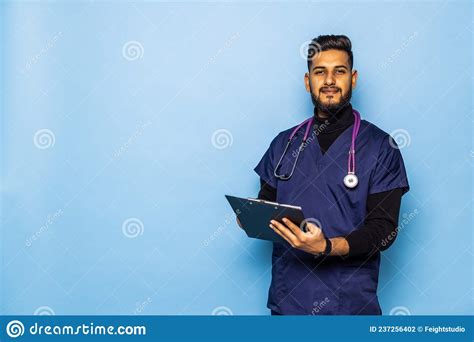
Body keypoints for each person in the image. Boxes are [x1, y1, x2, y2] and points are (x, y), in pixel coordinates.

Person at [250, 35, 409, 315]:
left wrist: (325, 247)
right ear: (307, 81)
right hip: (289, 303)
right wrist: (248, 217)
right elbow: (265, 205)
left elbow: (384, 231)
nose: (330, 81)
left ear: (354, 78)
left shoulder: (381, 147)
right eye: (320, 72)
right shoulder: (284, 144)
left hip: (350, 305)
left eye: (340, 71)